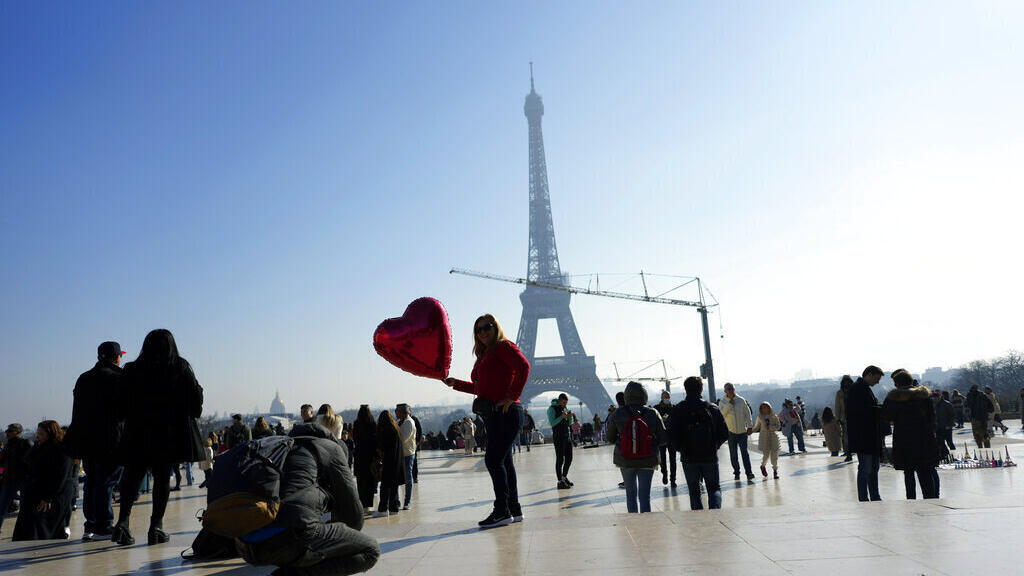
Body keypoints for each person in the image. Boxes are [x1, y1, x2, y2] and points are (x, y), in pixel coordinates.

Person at [235, 422, 380, 576]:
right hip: (290, 538)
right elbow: (354, 517)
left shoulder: (279, 448)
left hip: (245, 544)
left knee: (305, 534)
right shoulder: (331, 448)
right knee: (370, 550)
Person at [112, 329, 204, 546]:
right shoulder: (180, 367)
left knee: (132, 476)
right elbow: (195, 403)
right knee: (162, 478)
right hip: (169, 434)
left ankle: (123, 522)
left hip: (139, 431)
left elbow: (120, 406)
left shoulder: (132, 369)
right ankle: (156, 526)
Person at [444, 313, 530, 529]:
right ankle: (513, 508)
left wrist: (513, 395)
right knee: (505, 462)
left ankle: (502, 511)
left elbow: (524, 366)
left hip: (506, 413)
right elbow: (481, 389)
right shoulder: (485, 354)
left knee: (493, 461)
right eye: (478, 330)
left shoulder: (502, 346)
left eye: (487, 327)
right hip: (493, 414)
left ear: (496, 327)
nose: (483, 332)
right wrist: (457, 384)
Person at [64, 340, 126, 541]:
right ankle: (103, 526)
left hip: (86, 440)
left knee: (92, 482)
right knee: (106, 482)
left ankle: (90, 525)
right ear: (117, 357)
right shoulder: (119, 377)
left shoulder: (84, 378)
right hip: (111, 440)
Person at [605, 381, 667, 513]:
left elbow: (609, 437)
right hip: (648, 459)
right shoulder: (653, 413)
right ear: (644, 395)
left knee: (630, 495)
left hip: (625, 459)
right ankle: (646, 526)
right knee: (645, 496)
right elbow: (663, 439)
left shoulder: (617, 413)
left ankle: (633, 524)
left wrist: (623, 442)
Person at [670, 376, 729, 510]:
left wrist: (681, 448)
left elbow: (672, 435)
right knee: (714, 488)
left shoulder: (679, 409)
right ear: (701, 389)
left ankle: (699, 518)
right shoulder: (712, 408)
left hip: (688, 457)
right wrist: (715, 445)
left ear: (685, 389)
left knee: (694, 491)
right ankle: (715, 513)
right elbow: (724, 433)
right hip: (709, 456)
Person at [12, 421, 75, 541]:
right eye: (37, 433)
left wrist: (48, 498)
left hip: (53, 496)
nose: (37, 436)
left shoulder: (61, 450)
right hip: (37, 493)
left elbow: (60, 476)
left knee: (41, 526)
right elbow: (28, 463)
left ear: (49, 434)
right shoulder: (40, 447)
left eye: (40, 434)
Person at [882, 370, 940, 499]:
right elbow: (932, 417)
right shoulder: (924, 396)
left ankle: (911, 499)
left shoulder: (894, 398)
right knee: (925, 471)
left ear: (897, 384)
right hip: (924, 438)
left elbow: (886, 416)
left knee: (908, 473)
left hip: (904, 439)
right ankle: (930, 498)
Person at [847, 365, 884, 502]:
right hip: (864, 436)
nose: (878, 382)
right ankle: (865, 497)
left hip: (868, 436)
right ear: (869, 374)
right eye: (877, 378)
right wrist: (881, 409)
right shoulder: (858, 389)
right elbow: (863, 411)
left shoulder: (862, 388)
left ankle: (874, 496)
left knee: (873, 468)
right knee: (866, 469)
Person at [0, 423, 33, 533]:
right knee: (2, 507)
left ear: (18, 432)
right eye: (7, 430)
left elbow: (33, 462)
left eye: (10, 431)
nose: (7, 433)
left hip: (23, 481)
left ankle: (25, 531)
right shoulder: (8, 445)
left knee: (25, 509)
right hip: (8, 480)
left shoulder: (26, 443)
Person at [718, 383, 755, 482]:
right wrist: (730, 404)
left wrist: (750, 426)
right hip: (731, 432)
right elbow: (721, 415)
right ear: (725, 391)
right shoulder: (722, 402)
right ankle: (737, 473)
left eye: (732, 389)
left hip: (742, 432)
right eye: (728, 389)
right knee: (733, 454)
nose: (731, 391)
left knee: (745, 453)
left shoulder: (741, 400)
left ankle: (749, 473)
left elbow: (747, 414)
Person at [373, 411, 403, 518]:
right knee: (394, 486)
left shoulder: (386, 431)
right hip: (397, 461)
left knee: (385, 486)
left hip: (388, 461)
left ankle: (383, 509)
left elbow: (383, 447)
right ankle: (394, 508)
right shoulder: (396, 429)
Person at [352, 406, 379, 513]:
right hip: (370, 456)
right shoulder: (373, 423)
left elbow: (355, 438)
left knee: (361, 481)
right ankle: (369, 504)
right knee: (370, 481)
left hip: (360, 456)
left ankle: (362, 504)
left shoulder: (357, 423)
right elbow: (376, 440)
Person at [548, 393, 575, 489]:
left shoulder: (565, 408)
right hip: (558, 437)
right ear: (559, 401)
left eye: (566, 403)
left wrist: (570, 416)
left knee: (569, 458)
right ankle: (560, 482)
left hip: (566, 436)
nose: (565, 404)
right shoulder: (552, 409)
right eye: (563, 402)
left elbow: (570, 423)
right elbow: (552, 423)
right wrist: (561, 417)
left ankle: (564, 477)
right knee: (560, 459)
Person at [653, 390, 678, 486]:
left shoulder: (674, 408)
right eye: (665, 397)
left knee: (673, 459)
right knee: (662, 459)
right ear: (661, 398)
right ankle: (664, 473)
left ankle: (673, 479)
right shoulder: (657, 408)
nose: (667, 399)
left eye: (668, 397)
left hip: (672, 437)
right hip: (661, 437)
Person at [395, 404, 416, 511]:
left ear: (403, 412)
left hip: (407, 453)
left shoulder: (408, 422)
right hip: (401, 453)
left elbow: (403, 438)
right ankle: (397, 500)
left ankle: (407, 501)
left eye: (397, 411)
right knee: (399, 477)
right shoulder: (401, 422)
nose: (396, 413)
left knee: (408, 478)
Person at [752, 402, 781, 479]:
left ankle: (775, 471)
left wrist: (771, 427)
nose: (764, 409)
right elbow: (757, 426)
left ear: (769, 408)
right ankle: (763, 466)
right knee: (766, 455)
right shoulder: (760, 417)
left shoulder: (774, 416)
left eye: (766, 407)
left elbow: (778, 426)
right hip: (764, 438)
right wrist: (750, 431)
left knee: (774, 455)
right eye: (763, 408)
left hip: (774, 438)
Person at [836, 375, 853, 461]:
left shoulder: (854, 391)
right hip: (845, 418)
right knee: (846, 437)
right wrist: (838, 418)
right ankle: (848, 453)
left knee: (851, 436)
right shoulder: (840, 393)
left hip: (854, 417)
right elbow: (837, 406)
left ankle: (851, 452)